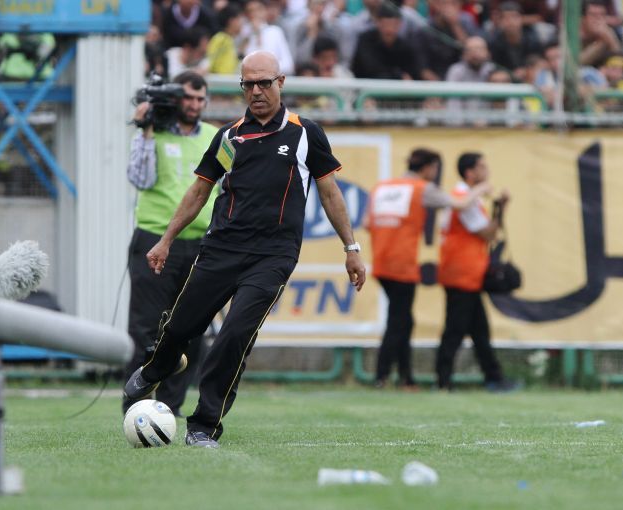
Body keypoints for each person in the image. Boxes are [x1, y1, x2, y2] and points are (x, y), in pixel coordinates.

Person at [124, 51, 366, 448]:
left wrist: (351, 247)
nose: (256, 91)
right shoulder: (230, 137)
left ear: (280, 83)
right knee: (181, 327)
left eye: (263, 83)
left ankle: (203, 426)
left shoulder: (305, 134)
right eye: (248, 84)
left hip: (273, 255)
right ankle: (156, 368)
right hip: (221, 248)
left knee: (234, 335)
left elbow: (329, 192)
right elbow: (200, 190)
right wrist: (165, 240)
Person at [123, 71, 219, 417]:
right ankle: (136, 408)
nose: (194, 105)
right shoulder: (154, 133)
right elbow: (140, 178)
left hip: (201, 244)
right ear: (176, 98)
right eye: (188, 97)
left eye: (200, 99)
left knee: (191, 330)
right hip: (155, 240)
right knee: (146, 328)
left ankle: (169, 409)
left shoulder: (214, 136)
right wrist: (146, 130)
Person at [367, 148, 491, 389]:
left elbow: (366, 222)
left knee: (403, 320)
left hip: (381, 260)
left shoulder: (382, 186)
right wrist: (481, 189)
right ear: (428, 168)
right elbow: (460, 203)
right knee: (398, 322)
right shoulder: (422, 188)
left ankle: (405, 378)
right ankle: (382, 376)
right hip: (402, 265)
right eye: (435, 169)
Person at [435, 153, 517, 392]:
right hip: (461, 273)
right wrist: (495, 204)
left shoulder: (468, 197)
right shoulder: (464, 197)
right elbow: (488, 233)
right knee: (455, 330)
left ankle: (493, 378)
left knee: (479, 331)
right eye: (482, 166)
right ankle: (444, 381)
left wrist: (500, 208)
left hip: (467, 273)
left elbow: (488, 231)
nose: (486, 170)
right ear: (470, 172)